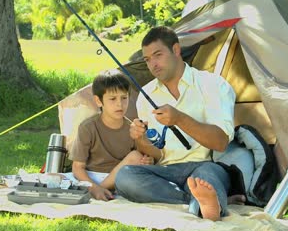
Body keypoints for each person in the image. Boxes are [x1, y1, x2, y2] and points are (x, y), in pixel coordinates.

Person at [115, 26, 241, 221]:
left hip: (206, 165)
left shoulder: (213, 85)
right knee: (125, 177)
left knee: (206, 178)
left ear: (176, 50)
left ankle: (206, 200)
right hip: (166, 171)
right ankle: (201, 202)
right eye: (148, 60)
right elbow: (154, 153)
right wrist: (140, 138)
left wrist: (180, 119)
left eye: (158, 55)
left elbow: (220, 142)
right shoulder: (145, 96)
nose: (153, 64)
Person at [70, 69, 154, 201]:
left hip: (120, 178)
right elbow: (77, 167)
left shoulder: (132, 128)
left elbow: (139, 159)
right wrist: (94, 187)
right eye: (113, 99)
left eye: (124, 98)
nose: (119, 104)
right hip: (90, 178)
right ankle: (98, 190)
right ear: (98, 101)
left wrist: (147, 161)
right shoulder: (88, 127)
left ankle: (102, 189)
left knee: (137, 157)